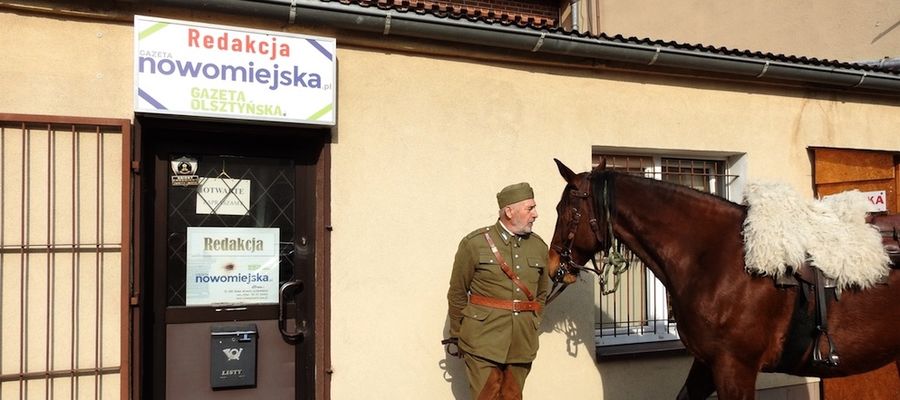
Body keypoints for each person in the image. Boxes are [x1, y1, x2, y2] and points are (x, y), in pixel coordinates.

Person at [446, 182, 550, 400]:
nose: (536, 214)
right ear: (509, 211)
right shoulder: (474, 244)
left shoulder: (539, 247)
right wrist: (459, 334)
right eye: (529, 208)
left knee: (513, 397)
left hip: (522, 341)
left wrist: (533, 322)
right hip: (482, 341)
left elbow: (541, 294)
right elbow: (457, 293)